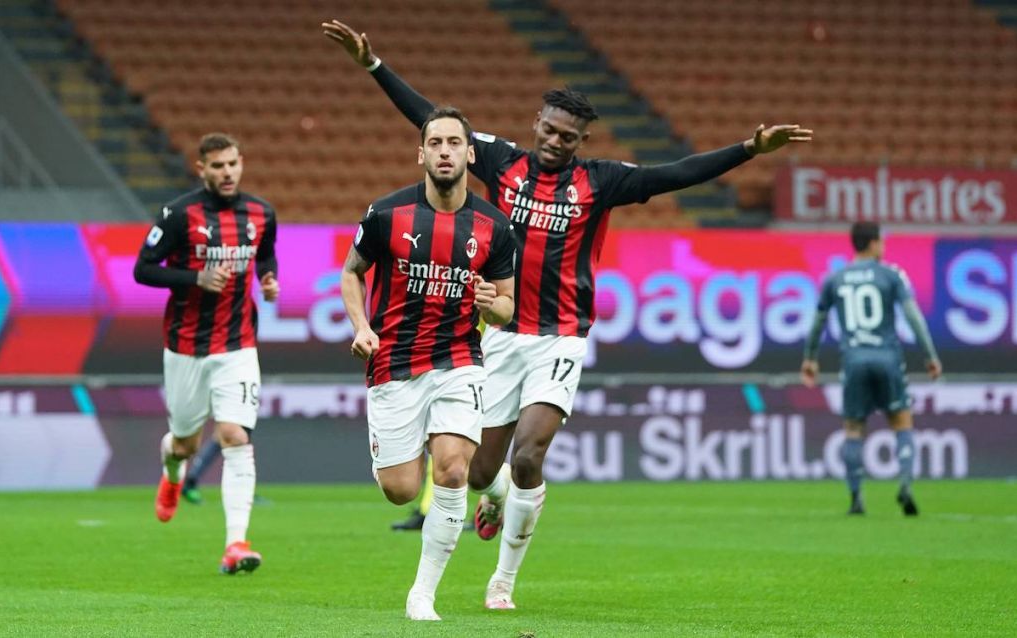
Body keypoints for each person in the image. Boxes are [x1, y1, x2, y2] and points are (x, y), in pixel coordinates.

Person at [323, 19, 813, 610]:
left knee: (529, 451)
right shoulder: (500, 162)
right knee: (478, 473)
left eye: (569, 137)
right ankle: (496, 495)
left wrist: (747, 150)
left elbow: (672, 174)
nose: (557, 141)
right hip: (498, 335)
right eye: (551, 130)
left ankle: (501, 580)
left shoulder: (599, 181)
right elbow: (432, 122)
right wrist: (374, 66)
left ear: (581, 140)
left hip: (560, 337)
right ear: (537, 125)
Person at [341, 106, 517, 621]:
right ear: (421, 154)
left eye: (453, 143)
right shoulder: (385, 215)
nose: (444, 151)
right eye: (435, 143)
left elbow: (506, 308)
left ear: (469, 153)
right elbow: (352, 273)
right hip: (393, 362)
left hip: (459, 358)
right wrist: (361, 327)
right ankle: (499, 483)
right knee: (400, 490)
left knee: (453, 468)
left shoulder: (493, 225)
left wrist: (492, 304)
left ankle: (422, 595)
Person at [133, 132, 279, 575]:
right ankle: (173, 474)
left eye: (233, 163)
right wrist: (195, 280)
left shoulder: (261, 213)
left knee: (235, 436)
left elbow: (266, 256)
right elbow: (142, 269)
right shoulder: (180, 214)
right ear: (202, 169)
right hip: (186, 347)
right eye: (217, 166)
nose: (227, 172)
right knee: (185, 443)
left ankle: (236, 543)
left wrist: (269, 280)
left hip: (238, 343)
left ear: (241, 163)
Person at [801, 221, 942, 516]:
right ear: (874, 243)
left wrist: (810, 358)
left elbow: (817, 322)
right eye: (882, 240)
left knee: (853, 429)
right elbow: (914, 317)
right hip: (887, 358)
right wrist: (930, 355)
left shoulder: (835, 278)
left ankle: (855, 497)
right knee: (901, 422)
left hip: (853, 360)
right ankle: (905, 484)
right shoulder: (891, 275)